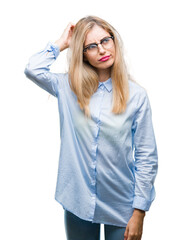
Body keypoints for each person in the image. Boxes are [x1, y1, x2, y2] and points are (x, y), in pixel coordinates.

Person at [24, 15, 158, 240]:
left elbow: (146, 157)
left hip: (121, 203)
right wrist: (62, 43)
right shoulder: (67, 88)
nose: (102, 50)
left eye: (106, 40)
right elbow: (32, 69)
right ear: (83, 53)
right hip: (78, 201)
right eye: (91, 46)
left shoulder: (137, 96)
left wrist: (139, 212)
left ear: (114, 40)